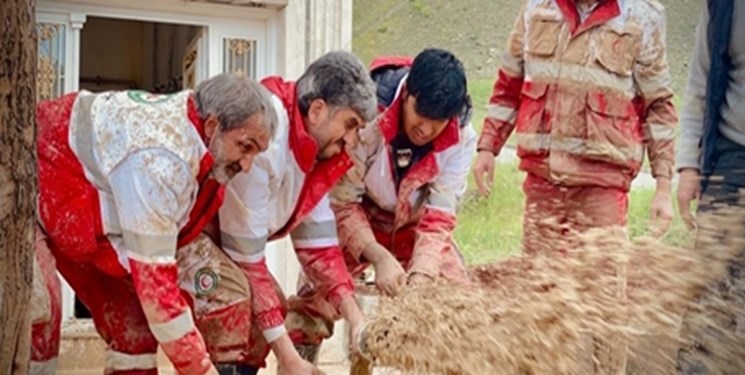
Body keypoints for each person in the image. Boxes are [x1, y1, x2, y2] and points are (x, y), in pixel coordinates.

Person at [34, 73, 275, 375]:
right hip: (28, 189)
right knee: (37, 320)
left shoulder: (194, 137)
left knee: (135, 329)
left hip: (80, 212)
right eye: (245, 146)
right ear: (213, 126)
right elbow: (158, 295)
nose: (247, 164)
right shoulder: (162, 159)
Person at [278, 48, 476, 364]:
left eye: (437, 122)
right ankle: (297, 366)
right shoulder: (367, 116)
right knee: (314, 301)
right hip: (360, 212)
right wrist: (378, 255)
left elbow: (438, 219)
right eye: (419, 114)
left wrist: (420, 278)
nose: (425, 129)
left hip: (415, 224)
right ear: (407, 92)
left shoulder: (462, 137)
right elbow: (342, 204)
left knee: (459, 303)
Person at [471, 0, 678, 255]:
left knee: (599, 285)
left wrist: (664, 187)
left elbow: (658, 105)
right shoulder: (537, 7)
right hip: (543, 180)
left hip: (603, 185)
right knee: (537, 282)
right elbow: (509, 83)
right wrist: (488, 147)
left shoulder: (643, 16)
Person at [216, 50, 379, 373]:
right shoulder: (268, 138)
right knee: (237, 303)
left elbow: (319, 249)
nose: (351, 140)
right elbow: (247, 261)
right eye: (349, 124)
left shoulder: (313, 151)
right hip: (179, 234)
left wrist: (356, 319)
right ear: (317, 109)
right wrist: (290, 359)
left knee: (263, 308)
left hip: (224, 244)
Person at [675, 0, 745, 373]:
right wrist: (688, 165)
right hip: (733, 160)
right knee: (713, 294)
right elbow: (700, 82)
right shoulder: (725, 5)